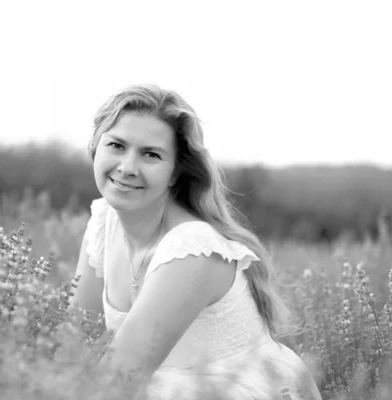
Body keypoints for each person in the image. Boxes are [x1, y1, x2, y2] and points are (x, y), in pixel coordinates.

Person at [71, 84, 322, 399]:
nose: (128, 167)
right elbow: (73, 342)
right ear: (96, 146)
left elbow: (118, 377)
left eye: (151, 154)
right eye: (117, 145)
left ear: (175, 172)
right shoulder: (104, 222)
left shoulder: (191, 247)